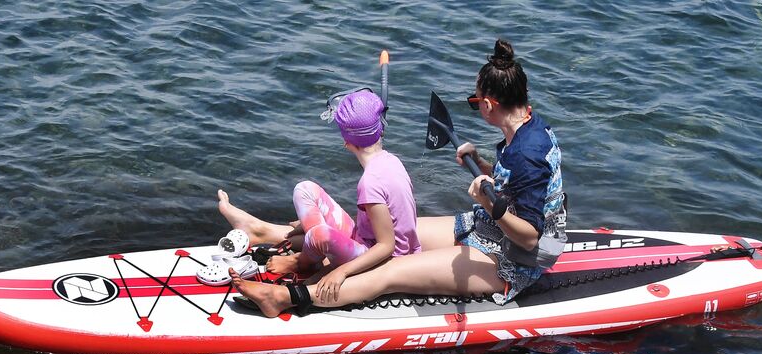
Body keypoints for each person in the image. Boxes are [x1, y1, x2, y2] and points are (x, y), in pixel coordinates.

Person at [233, 38, 565, 317]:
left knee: (390, 271)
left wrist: (490, 205)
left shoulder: (528, 154)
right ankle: (275, 237)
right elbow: (515, 185)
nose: (475, 106)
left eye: (475, 101)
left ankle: (284, 300)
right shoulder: (525, 129)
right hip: (484, 228)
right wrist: (480, 163)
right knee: (391, 236)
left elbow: (530, 238)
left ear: (490, 104)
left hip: (512, 258)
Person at [215, 87, 419, 307]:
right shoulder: (391, 161)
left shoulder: (370, 182)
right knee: (305, 189)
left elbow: (387, 246)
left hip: (384, 261)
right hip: (365, 239)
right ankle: (311, 256)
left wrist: (342, 271)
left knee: (320, 234)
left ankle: (302, 261)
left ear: (347, 142)